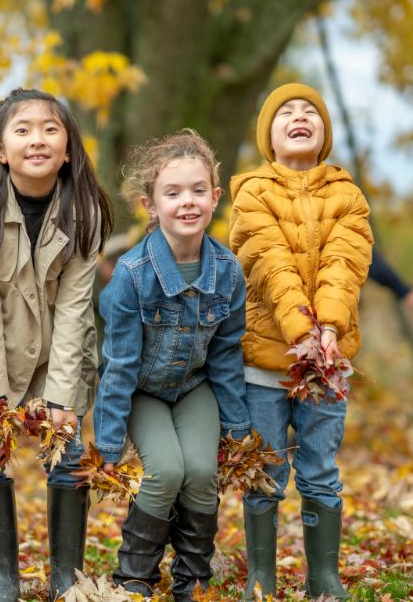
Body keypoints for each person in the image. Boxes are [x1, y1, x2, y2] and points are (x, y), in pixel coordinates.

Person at [0, 88, 113, 602]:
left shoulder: (86, 213)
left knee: (66, 453)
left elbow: (76, 311)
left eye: (49, 129)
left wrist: (61, 397)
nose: (36, 139)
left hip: (57, 356)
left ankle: (66, 577)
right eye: (22, 130)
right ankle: (3, 582)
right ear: (0, 149)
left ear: (68, 148)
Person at [229, 83, 373, 600]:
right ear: (269, 136)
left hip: (329, 363)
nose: (298, 116)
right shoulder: (251, 193)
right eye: (284, 112)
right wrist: (300, 333)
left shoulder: (348, 195)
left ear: (324, 133)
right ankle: (261, 577)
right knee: (266, 469)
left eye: (309, 111)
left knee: (320, 469)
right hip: (264, 365)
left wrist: (328, 329)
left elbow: (345, 264)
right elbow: (268, 263)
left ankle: (323, 577)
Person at [94, 130, 250, 600]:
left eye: (199, 191)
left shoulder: (228, 270)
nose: (188, 202)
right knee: (166, 471)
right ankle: (134, 580)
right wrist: (108, 439)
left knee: (201, 472)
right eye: (173, 192)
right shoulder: (131, 276)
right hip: (143, 388)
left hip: (193, 387)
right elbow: (119, 364)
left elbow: (225, 353)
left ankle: (192, 582)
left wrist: (239, 428)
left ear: (215, 198)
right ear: (151, 205)